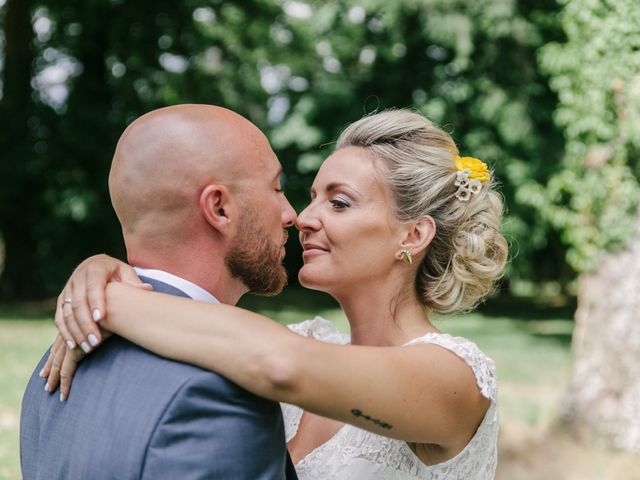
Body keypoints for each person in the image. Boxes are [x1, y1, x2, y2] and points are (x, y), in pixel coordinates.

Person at [44, 109, 508, 479]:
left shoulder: (456, 377)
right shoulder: (304, 338)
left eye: (339, 202)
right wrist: (103, 269)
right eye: (310, 196)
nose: (303, 217)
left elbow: (280, 364)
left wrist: (112, 301)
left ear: (412, 236)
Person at [20, 104, 299, 479]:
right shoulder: (221, 387)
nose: (291, 214)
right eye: (276, 188)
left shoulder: (54, 360)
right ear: (218, 208)